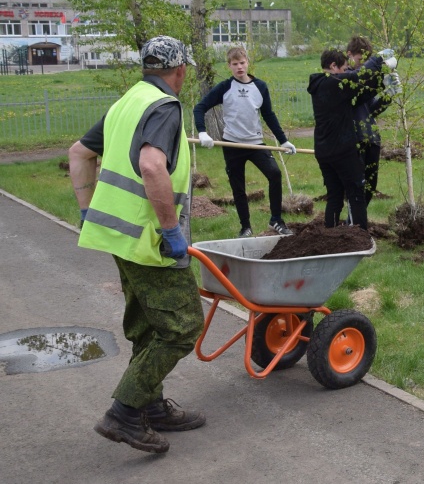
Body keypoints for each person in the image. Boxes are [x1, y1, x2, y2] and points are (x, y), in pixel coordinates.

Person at [69, 36, 205, 454]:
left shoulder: (128, 101)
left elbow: (78, 152)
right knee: (182, 328)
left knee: (147, 326)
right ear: (180, 71)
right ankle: (124, 413)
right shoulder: (164, 107)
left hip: (118, 237)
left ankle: (151, 405)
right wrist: (170, 231)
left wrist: (87, 209)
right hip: (149, 242)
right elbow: (150, 164)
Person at [193, 47, 296, 238]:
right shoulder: (225, 87)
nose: (239, 67)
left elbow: (269, 115)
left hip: (255, 143)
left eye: (242, 63)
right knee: (238, 186)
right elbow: (200, 108)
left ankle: (276, 220)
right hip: (232, 144)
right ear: (229, 66)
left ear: (247, 62)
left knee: (274, 174)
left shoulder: (260, 87)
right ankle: (245, 227)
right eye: (235, 64)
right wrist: (202, 132)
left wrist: (284, 141)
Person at [308, 48, 390, 230]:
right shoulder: (333, 83)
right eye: (344, 69)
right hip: (341, 150)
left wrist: (382, 85)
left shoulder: (322, 85)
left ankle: (331, 236)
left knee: (335, 195)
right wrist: (379, 59)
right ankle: (360, 237)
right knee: (356, 193)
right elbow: (359, 76)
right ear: (333, 66)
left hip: (323, 150)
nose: (346, 72)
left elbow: (359, 96)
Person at [345, 36, 396, 222]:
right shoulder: (345, 80)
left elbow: (371, 110)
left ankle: (353, 222)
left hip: (371, 137)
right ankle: (354, 225)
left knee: (370, 185)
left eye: (366, 61)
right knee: (357, 185)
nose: (363, 65)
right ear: (349, 55)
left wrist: (388, 95)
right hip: (354, 139)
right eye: (360, 60)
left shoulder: (366, 79)